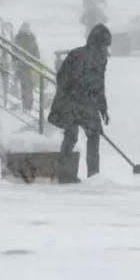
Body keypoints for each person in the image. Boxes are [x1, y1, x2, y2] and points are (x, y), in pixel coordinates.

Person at [48, 24, 112, 182]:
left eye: (106, 46)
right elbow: (63, 78)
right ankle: (66, 174)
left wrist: (102, 108)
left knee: (92, 134)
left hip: (85, 103)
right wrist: (76, 91)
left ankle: (92, 175)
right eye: (103, 44)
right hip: (70, 102)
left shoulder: (100, 59)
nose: (104, 49)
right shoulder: (78, 55)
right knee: (72, 134)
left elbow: (99, 85)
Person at [14, 22, 41, 111]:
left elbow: (36, 51)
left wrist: (35, 60)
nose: (26, 29)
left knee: (27, 85)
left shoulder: (30, 38)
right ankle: (26, 104)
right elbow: (14, 50)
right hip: (23, 64)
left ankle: (28, 105)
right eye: (25, 27)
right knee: (25, 85)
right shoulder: (20, 38)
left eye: (27, 27)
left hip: (27, 64)